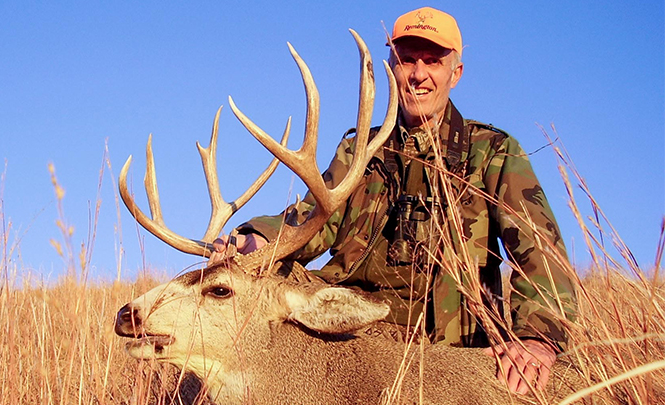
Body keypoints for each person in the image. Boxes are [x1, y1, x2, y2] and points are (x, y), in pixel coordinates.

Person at [212, 7, 576, 396]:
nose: (418, 74)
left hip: (449, 347)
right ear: (391, 68)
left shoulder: (492, 153)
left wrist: (537, 336)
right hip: (353, 333)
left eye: (433, 61)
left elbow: (540, 250)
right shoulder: (360, 151)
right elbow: (314, 222)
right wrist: (256, 240)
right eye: (406, 60)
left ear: (456, 73)